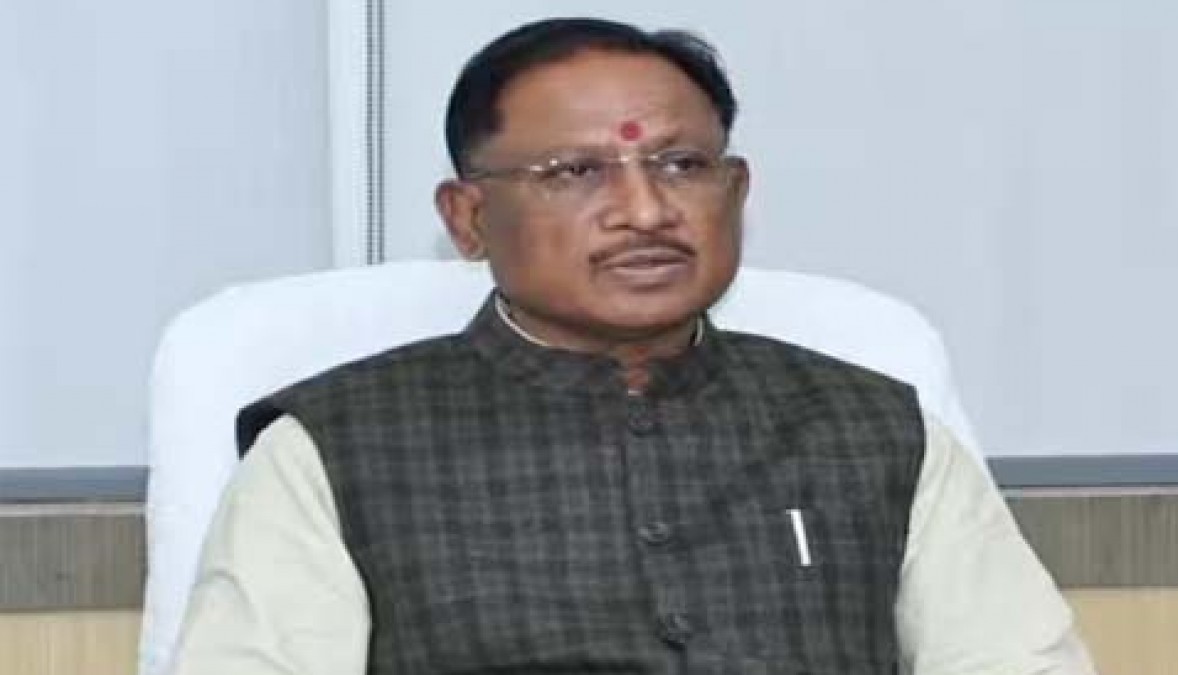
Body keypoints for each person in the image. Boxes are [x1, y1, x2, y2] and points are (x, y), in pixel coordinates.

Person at [170, 17, 1095, 675]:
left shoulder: (875, 426)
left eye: (682, 165)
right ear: (467, 217)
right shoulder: (333, 447)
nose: (646, 209)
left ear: (736, 192)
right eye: (576, 171)